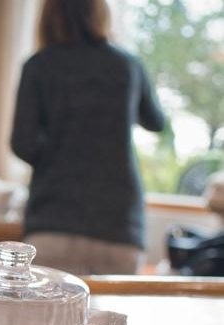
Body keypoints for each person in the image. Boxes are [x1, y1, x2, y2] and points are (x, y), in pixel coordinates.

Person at [11, 0, 165, 275]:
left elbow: (22, 143)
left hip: (53, 219)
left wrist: (58, 156)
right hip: (120, 224)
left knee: (47, 304)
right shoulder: (127, 64)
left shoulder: (39, 65)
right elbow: (156, 122)